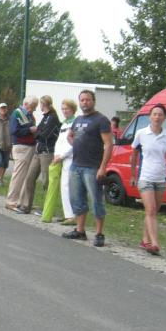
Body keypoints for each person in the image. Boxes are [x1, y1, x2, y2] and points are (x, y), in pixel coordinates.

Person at [62, 89, 113, 247]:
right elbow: (72, 135)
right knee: (76, 199)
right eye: (82, 100)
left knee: (96, 200)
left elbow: (109, 144)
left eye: (88, 99)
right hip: (76, 165)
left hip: (92, 167)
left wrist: (103, 167)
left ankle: (99, 233)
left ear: (93, 101)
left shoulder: (101, 120)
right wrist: (72, 140)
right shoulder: (78, 119)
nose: (85, 102)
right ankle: (80, 230)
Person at [129, 104, 166, 255]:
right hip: (145, 177)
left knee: (153, 212)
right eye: (154, 114)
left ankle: (145, 240)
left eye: (160, 114)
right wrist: (133, 175)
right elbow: (134, 155)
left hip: (161, 178)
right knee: (150, 210)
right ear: (150, 116)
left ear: (164, 117)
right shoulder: (141, 133)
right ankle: (155, 243)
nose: (157, 117)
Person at [17, 95, 60, 214]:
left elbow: (44, 134)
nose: (40, 107)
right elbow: (38, 130)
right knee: (29, 177)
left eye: (41, 104)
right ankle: (26, 206)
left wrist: (37, 133)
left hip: (47, 152)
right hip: (38, 151)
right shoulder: (45, 117)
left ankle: (46, 208)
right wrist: (37, 133)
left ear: (44, 104)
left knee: (46, 181)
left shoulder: (53, 117)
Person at [41, 99, 77, 224]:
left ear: (73, 109)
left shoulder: (75, 123)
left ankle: (72, 215)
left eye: (67, 109)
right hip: (60, 157)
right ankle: (68, 214)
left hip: (69, 158)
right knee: (63, 186)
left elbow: (73, 144)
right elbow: (59, 141)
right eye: (63, 109)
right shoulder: (64, 123)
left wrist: (62, 155)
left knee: (67, 185)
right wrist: (56, 154)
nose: (65, 111)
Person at [4, 96, 37, 211]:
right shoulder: (17, 114)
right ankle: (11, 200)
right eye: (33, 107)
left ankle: (21, 201)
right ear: (26, 104)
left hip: (29, 146)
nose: (34, 109)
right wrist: (30, 130)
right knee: (18, 175)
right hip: (21, 147)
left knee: (25, 175)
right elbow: (14, 131)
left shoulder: (29, 115)